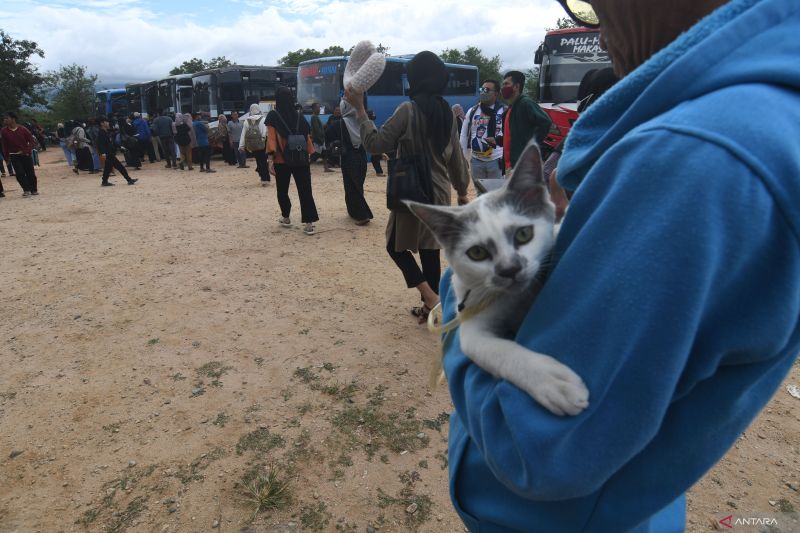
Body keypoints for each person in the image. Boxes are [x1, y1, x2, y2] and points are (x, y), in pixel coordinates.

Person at [439, 1, 800, 532]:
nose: (592, 16)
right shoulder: (753, 111)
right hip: (634, 500)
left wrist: (457, 291)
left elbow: (537, 451)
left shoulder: (689, 157)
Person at [345, 51, 470, 323]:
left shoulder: (407, 110)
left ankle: (430, 298)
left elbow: (376, 145)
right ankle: (431, 310)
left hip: (412, 191)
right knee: (429, 251)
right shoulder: (447, 113)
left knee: (394, 246)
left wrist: (360, 110)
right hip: (438, 193)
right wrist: (461, 191)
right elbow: (456, 159)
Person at [265, 86, 319, 235]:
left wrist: (270, 159)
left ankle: (286, 217)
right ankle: (309, 223)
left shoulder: (273, 116)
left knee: (282, 190)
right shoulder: (299, 116)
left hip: (281, 161)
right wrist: (311, 153)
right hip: (301, 159)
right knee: (305, 190)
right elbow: (306, 138)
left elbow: (271, 139)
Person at [500, 70, 551, 170]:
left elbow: (546, 122)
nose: (503, 87)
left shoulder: (526, 103)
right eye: (503, 84)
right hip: (510, 164)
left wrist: (531, 144)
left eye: (506, 84)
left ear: (516, 86)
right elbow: (514, 135)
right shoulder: (511, 107)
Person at [334, 95, 374, 225]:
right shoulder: (362, 119)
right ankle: (353, 212)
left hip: (348, 157)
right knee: (358, 185)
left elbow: (328, 134)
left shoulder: (341, 122)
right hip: (362, 156)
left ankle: (362, 216)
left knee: (351, 186)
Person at [460, 79, 506, 185]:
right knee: (480, 194)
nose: (483, 92)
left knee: (495, 194)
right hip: (476, 162)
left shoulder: (504, 111)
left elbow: (509, 136)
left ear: (496, 93)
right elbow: (464, 135)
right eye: (481, 89)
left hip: (496, 161)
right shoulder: (472, 111)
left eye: (487, 90)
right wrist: (463, 157)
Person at [0, 112, 39, 197]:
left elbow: (32, 141)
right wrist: (6, 157)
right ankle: (26, 190)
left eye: (7, 118)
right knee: (19, 173)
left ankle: (34, 189)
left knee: (30, 173)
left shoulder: (23, 129)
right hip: (14, 155)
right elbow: (4, 145)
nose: (5, 120)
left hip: (26, 154)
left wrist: (27, 150)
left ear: (13, 119)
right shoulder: (4, 131)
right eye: (4, 119)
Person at [97, 116, 137, 187]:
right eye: (106, 122)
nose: (108, 123)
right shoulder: (101, 132)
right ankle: (129, 180)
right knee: (120, 167)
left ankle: (104, 181)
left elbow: (110, 143)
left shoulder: (105, 131)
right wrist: (103, 153)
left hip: (109, 153)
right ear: (102, 123)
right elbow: (100, 144)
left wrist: (119, 146)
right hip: (108, 153)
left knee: (108, 168)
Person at [239, 104, 269, 184]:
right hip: (262, 143)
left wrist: (241, 145)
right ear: (259, 109)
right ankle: (265, 179)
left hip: (252, 144)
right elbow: (265, 132)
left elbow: (243, 134)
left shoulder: (246, 121)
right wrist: (263, 140)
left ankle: (260, 172)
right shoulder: (263, 119)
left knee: (258, 160)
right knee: (264, 160)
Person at [309, 102, 331, 173]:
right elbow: (317, 130)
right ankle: (307, 166)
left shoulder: (315, 117)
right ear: (314, 109)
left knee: (324, 153)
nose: (319, 109)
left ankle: (326, 168)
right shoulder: (314, 117)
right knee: (315, 155)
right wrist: (321, 136)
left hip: (321, 139)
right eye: (317, 108)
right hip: (319, 139)